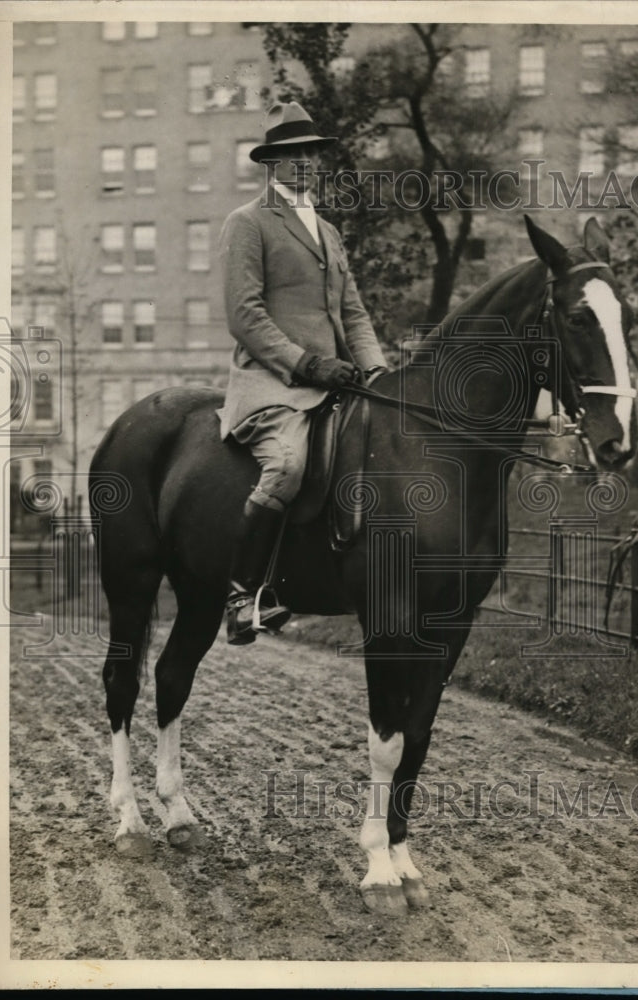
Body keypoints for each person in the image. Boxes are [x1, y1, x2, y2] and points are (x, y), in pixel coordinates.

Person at [217, 101, 388, 644]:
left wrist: (378, 373)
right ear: (274, 164)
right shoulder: (247, 223)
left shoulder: (330, 233)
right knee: (289, 465)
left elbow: (353, 314)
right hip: (275, 381)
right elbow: (245, 315)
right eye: (295, 154)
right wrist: (305, 363)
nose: (307, 162)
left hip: (338, 380)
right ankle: (242, 593)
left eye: (312, 152)